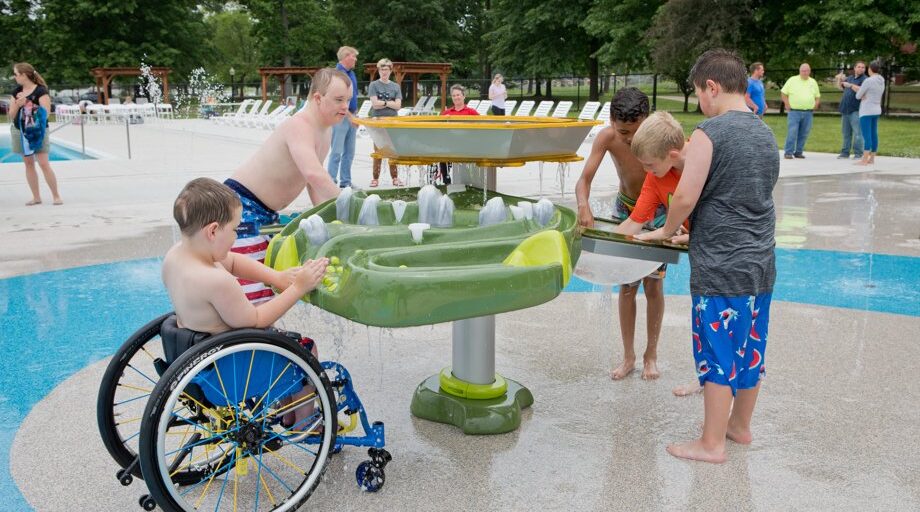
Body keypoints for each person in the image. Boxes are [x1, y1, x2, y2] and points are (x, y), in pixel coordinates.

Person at [636, 49, 779, 464]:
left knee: (716, 352)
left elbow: (684, 195)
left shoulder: (709, 133)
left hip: (720, 266)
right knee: (750, 347)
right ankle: (739, 426)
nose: (700, 100)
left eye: (699, 91)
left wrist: (666, 230)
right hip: (760, 263)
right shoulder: (764, 132)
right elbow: (747, 197)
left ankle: (711, 443)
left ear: (711, 87)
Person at [162, 177, 328, 427]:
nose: (236, 236)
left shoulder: (175, 257)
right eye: (235, 229)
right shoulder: (216, 281)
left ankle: (286, 411)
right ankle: (304, 424)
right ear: (213, 230)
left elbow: (233, 261)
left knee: (280, 343)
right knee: (305, 349)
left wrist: (277, 277)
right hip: (231, 372)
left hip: (196, 363)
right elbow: (258, 319)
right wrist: (297, 287)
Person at [225, 67, 346, 304]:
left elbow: (314, 183)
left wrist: (328, 217)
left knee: (267, 281)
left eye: (348, 100)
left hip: (264, 210)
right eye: (339, 100)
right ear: (318, 98)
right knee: (251, 288)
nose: (346, 107)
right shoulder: (299, 125)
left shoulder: (325, 130)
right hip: (240, 206)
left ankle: (257, 334)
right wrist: (348, 204)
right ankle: (248, 335)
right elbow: (314, 174)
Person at [574, 87, 666, 381]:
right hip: (626, 211)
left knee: (653, 286)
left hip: (656, 214)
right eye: (621, 131)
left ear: (646, 120)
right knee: (627, 286)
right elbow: (584, 180)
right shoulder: (608, 137)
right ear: (612, 122)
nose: (627, 139)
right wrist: (583, 205)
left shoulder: (659, 137)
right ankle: (628, 356)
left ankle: (651, 354)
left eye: (633, 131)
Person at [10, 62, 62, 206]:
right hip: (20, 130)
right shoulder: (16, 91)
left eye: (15, 74)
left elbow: (45, 113)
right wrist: (17, 103)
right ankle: (36, 197)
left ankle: (56, 196)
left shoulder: (40, 91)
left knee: (44, 163)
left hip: (38, 131)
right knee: (28, 163)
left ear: (24, 75)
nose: (14, 77)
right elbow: (11, 114)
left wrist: (27, 103)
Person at [326, 46, 360, 188]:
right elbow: (338, 100)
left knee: (349, 152)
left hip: (352, 115)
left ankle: (345, 182)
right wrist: (351, 116)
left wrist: (355, 114)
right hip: (340, 117)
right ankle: (330, 182)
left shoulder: (351, 73)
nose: (356, 59)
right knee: (337, 151)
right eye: (354, 56)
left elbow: (353, 96)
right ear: (346, 57)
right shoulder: (337, 74)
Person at [367, 58, 403, 188]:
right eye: (382, 69)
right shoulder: (374, 85)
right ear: (379, 70)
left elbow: (398, 106)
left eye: (386, 69)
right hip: (378, 120)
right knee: (378, 149)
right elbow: (375, 105)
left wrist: (385, 103)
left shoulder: (395, 86)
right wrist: (390, 104)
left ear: (390, 71)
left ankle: (395, 177)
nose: (384, 72)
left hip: (392, 121)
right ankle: (375, 178)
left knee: (393, 149)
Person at [434, 84, 479, 184]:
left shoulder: (471, 112)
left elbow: (481, 127)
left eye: (458, 95)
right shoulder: (446, 113)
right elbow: (438, 129)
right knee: (441, 151)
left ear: (463, 96)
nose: (456, 97)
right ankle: (446, 181)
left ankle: (467, 180)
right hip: (449, 145)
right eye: (453, 95)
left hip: (466, 144)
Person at [846, 61, 885, 166]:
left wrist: (861, 93)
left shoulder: (868, 81)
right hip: (877, 109)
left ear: (870, 69)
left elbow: (858, 96)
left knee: (866, 135)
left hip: (867, 110)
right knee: (874, 134)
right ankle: (872, 159)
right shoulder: (882, 80)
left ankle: (864, 160)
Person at [780, 63, 820, 159]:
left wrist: (816, 104)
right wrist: (786, 103)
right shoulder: (792, 80)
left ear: (809, 71)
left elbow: (817, 96)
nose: (805, 72)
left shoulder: (813, 82)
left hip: (808, 112)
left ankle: (799, 152)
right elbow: (783, 93)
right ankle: (788, 152)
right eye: (803, 71)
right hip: (794, 112)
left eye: (807, 71)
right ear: (799, 71)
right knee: (792, 132)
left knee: (804, 133)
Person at [835, 61, 866, 159]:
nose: (861, 69)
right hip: (845, 109)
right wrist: (839, 79)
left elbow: (862, 91)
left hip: (856, 110)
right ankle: (845, 153)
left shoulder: (865, 79)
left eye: (863, 67)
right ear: (855, 68)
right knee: (846, 133)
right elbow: (840, 87)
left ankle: (858, 153)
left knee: (858, 133)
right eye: (859, 67)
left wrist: (850, 85)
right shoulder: (850, 78)